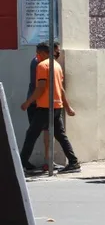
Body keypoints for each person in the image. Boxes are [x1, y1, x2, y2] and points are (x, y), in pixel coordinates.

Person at [19, 41, 80, 173]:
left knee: (31, 135)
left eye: (38, 53)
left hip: (45, 107)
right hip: (57, 106)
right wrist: (67, 107)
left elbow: (40, 88)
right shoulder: (57, 66)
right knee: (61, 136)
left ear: (43, 53)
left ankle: (20, 165)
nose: (37, 56)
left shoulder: (42, 66)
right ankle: (74, 162)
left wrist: (28, 102)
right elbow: (61, 89)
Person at [24, 41, 61, 171]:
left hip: (43, 103)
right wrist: (29, 102)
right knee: (34, 134)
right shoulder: (40, 63)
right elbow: (39, 86)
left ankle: (47, 161)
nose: (58, 53)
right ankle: (25, 161)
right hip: (38, 104)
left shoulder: (48, 64)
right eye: (56, 51)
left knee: (45, 133)